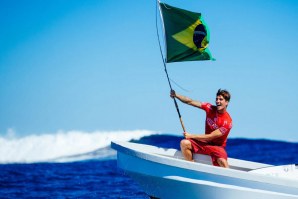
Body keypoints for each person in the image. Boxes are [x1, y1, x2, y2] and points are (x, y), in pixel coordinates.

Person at [170, 89, 232, 168]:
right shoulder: (209, 108)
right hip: (204, 144)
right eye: (216, 99)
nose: (217, 101)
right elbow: (190, 101)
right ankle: (191, 168)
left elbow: (210, 136)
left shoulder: (227, 122)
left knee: (222, 162)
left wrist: (191, 136)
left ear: (226, 102)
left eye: (221, 99)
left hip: (217, 147)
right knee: (184, 143)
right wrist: (176, 95)